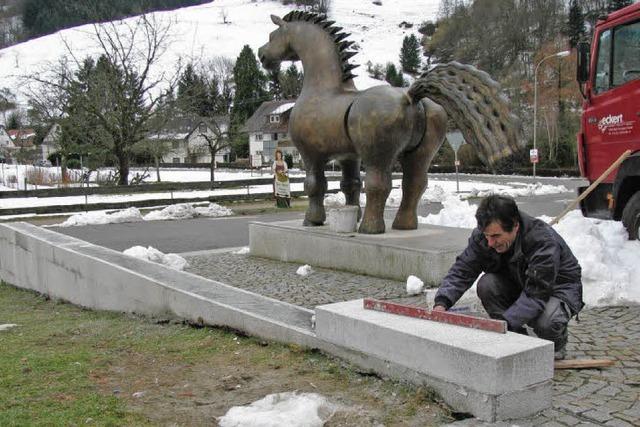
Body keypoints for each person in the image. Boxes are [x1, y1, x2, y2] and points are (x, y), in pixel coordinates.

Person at [433, 195, 583, 360]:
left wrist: (504, 324)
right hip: (519, 282)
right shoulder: (484, 236)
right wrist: (442, 302)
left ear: (515, 226)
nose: (490, 243)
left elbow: (536, 293)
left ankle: (556, 343)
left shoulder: (541, 240)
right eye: (487, 236)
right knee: (487, 284)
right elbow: (463, 269)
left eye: (496, 236)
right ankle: (516, 338)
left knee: (547, 321)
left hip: (556, 289)